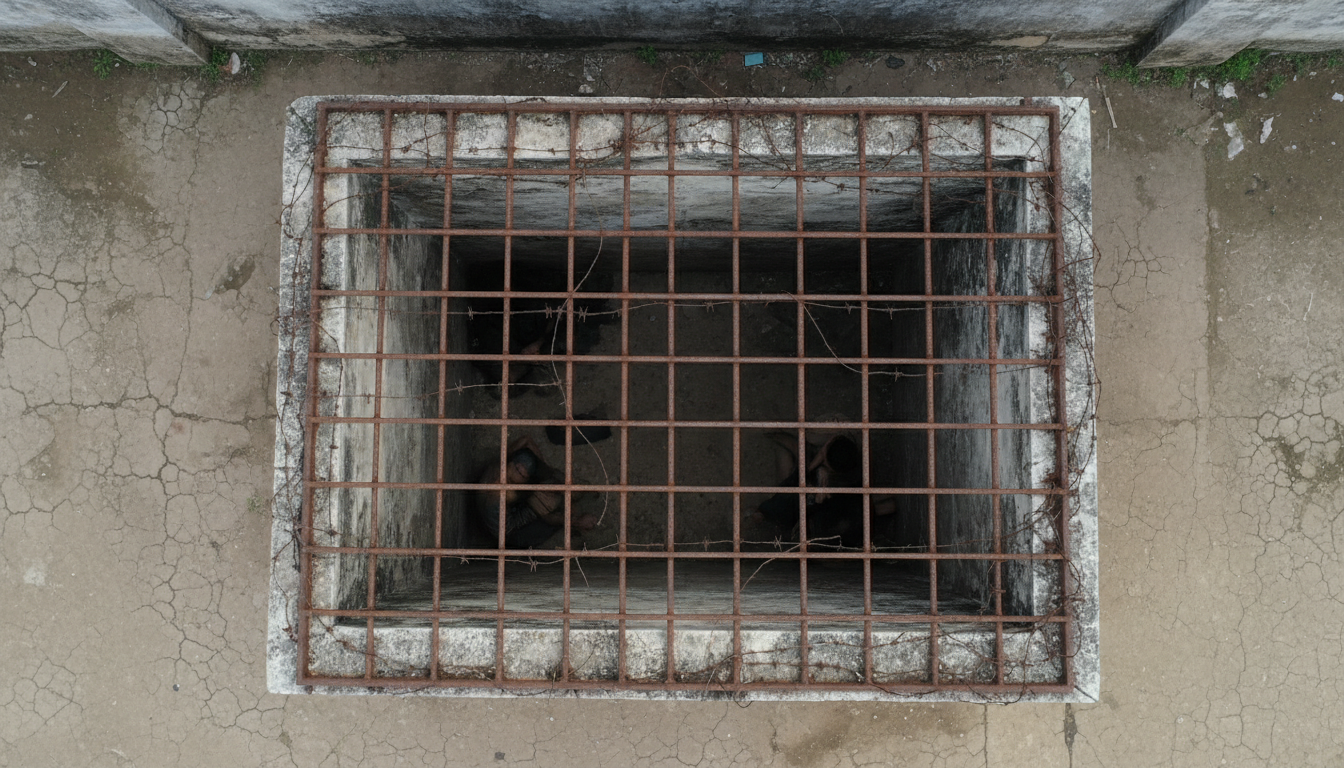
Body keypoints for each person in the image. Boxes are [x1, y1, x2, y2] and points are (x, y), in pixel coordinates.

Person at [755, 432, 893, 549]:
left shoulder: (829, 489)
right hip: (827, 518)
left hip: (813, 516)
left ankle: (764, 517)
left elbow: (804, 479)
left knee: (791, 471)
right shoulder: (849, 469)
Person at [475, 435, 598, 548]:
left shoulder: (503, 466)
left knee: (546, 479)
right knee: (551, 514)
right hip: (510, 531)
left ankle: (570, 495)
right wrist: (575, 521)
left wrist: (545, 471)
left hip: (508, 502)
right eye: (523, 476)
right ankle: (576, 520)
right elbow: (545, 516)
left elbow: (526, 440)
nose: (525, 477)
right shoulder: (504, 495)